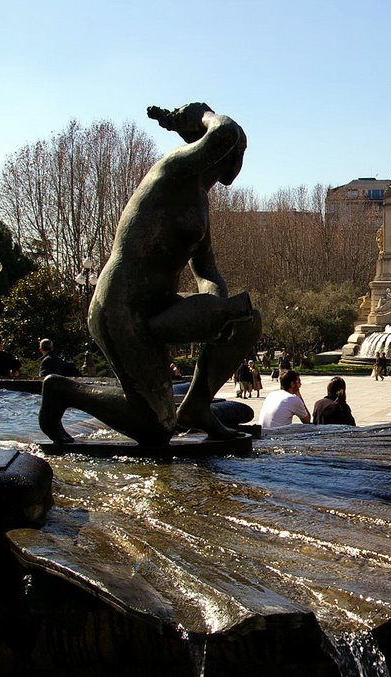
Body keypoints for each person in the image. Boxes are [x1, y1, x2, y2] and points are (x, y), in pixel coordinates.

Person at [39, 103, 261, 445]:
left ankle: (197, 408)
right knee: (156, 430)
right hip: (122, 309)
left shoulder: (199, 201)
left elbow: (207, 270)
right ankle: (62, 390)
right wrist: (204, 114)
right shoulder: (172, 170)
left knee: (245, 320)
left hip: (161, 309)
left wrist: (216, 311)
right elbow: (225, 131)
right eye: (239, 152)